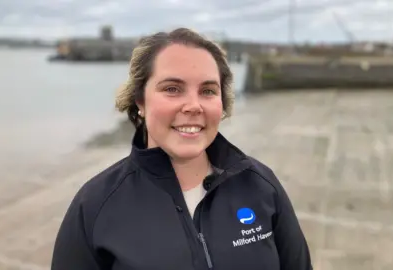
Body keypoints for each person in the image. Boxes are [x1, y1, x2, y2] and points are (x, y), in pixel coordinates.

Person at [51, 27, 312, 270]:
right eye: (173, 89)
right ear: (140, 99)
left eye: (208, 91)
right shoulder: (95, 205)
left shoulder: (261, 186)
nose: (193, 106)